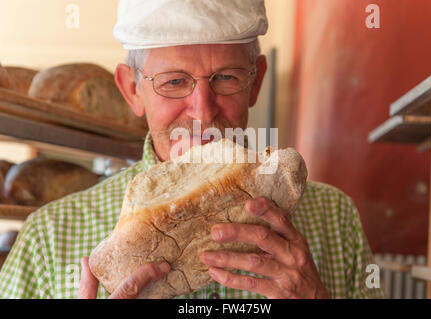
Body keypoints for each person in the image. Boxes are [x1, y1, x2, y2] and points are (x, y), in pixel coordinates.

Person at [0, 0, 384, 299]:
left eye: (226, 78)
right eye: (174, 81)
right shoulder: (49, 238)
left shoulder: (335, 218)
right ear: (132, 90)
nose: (203, 110)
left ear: (256, 82)